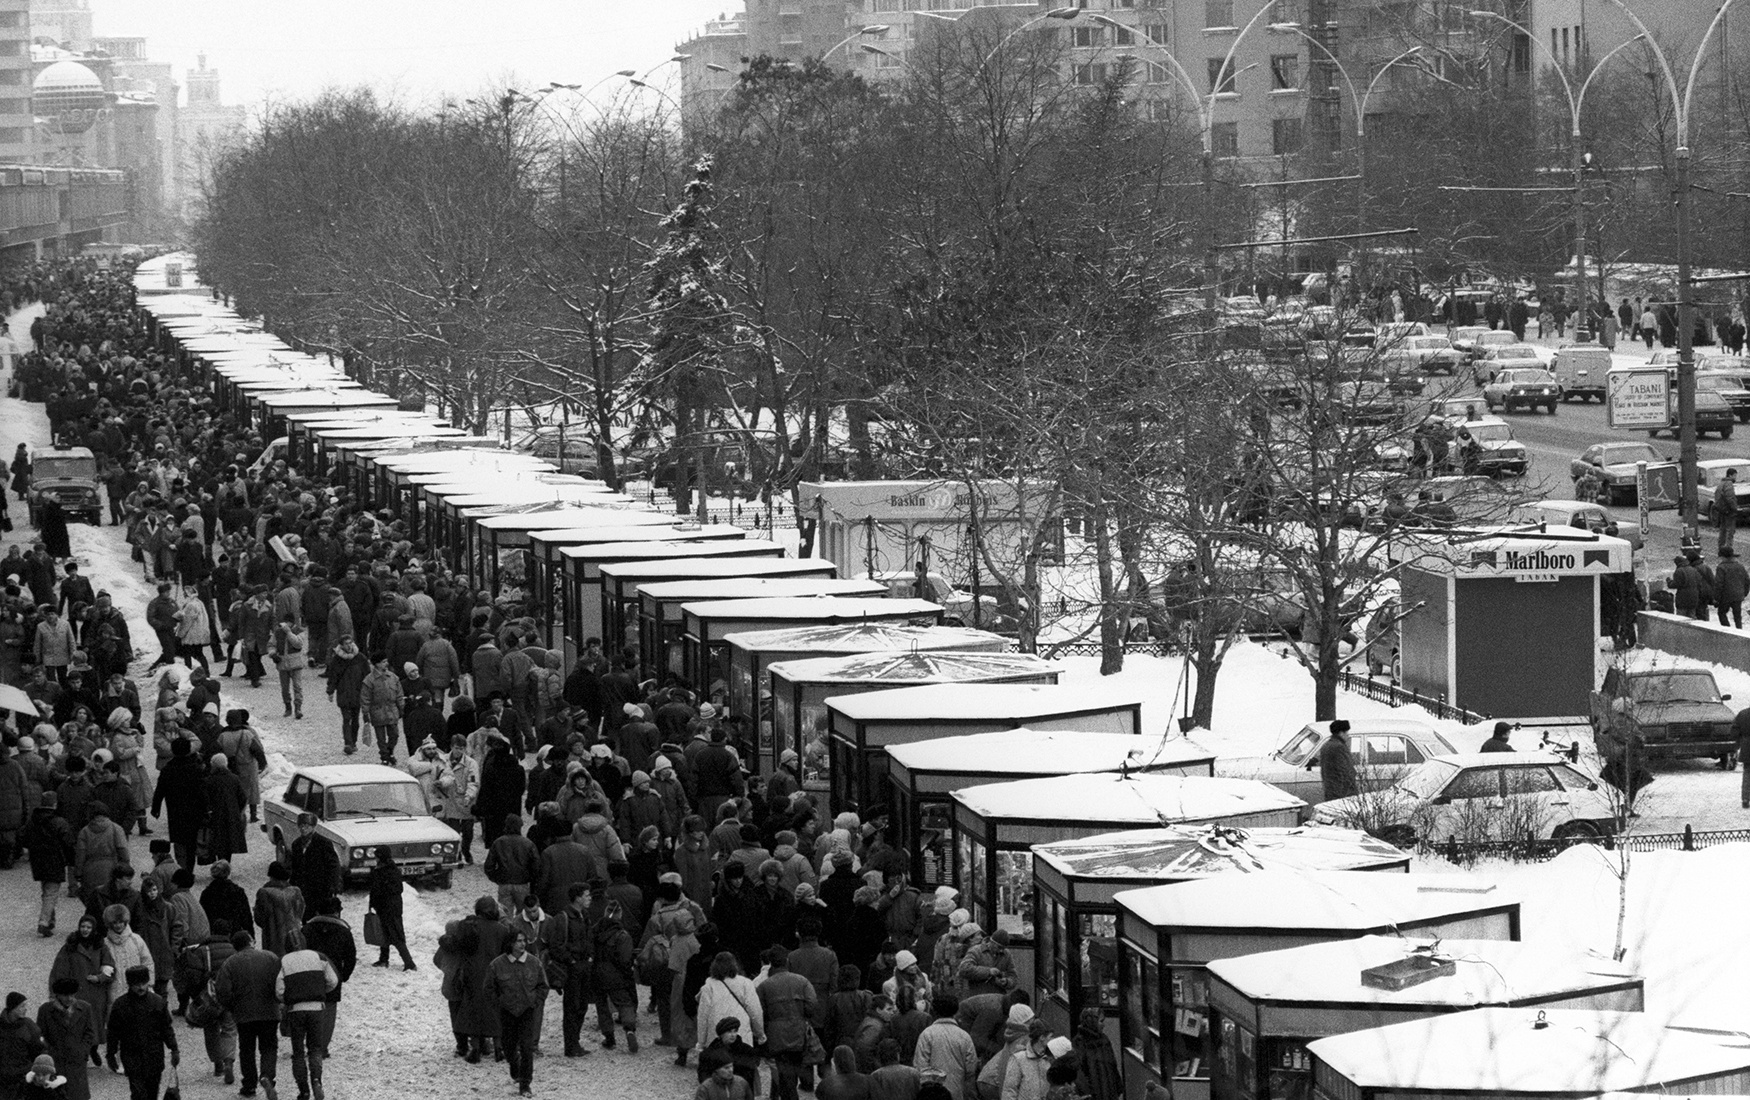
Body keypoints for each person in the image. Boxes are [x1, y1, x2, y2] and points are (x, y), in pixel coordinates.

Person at [214, 929, 281, 1100]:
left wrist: (232, 1006)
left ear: (234, 946)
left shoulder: (230, 963)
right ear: (251, 941)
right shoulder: (271, 957)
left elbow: (222, 990)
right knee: (269, 1046)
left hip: (244, 1014)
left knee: (247, 1049)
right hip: (269, 1011)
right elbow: (281, 981)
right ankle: (267, 1076)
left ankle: (249, 1085)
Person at [274, 930, 337, 1100]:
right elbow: (333, 981)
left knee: (298, 1051)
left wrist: (286, 1000)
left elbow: (279, 990)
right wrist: (321, 991)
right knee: (315, 1048)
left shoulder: (284, 961)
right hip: (317, 1008)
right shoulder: (319, 957)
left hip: (295, 1010)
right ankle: (317, 1081)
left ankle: (304, 1091)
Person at [484, 929, 548, 1096]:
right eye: (518, 941)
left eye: (524, 940)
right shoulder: (497, 964)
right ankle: (514, 1064)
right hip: (506, 1012)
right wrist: (499, 1004)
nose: (522, 944)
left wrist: (535, 1002)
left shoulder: (534, 963)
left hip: (527, 1011)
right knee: (509, 1046)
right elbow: (489, 989)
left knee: (527, 1047)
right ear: (510, 943)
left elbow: (543, 986)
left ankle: (525, 1084)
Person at [104, 967, 177, 1100]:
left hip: (154, 1055)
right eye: (137, 984)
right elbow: (113, 1032)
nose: (141, 987)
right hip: (132, 1056)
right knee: (138, 1094)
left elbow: (166, 1028)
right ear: (129, 984)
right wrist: (111, 1053)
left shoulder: (158, 1002)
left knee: (152, 1092)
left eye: (144, 983)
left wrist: (174, 1049)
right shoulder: (120, 1005)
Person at [760, 946, 821, 1100]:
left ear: (771, 963)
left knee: (785, 1073)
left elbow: (760, 1012)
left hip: (776, 1036)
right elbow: (812, 1006)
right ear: (787, 961)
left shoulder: (764, 986)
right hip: (799, 1032)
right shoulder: (802, 981)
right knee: (793, 1070)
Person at [36, 982, 95, 1100]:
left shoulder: (85, 1008)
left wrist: (83, 1051)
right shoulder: (45, 1010)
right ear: (57, 995)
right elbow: (40, 1035)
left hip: (76, 1061)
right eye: (65, 995)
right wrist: (49, 1052)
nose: (69, 998)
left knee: (77, 1095)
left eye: (72, 995)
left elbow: (90, 1033)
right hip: (56, 1061)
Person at [912, 994, 977, 1100]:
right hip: (957, 1092)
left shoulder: (927, 1034)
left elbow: (920, 1066)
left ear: (934, 1010)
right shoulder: (964, 1036)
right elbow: (971, 1068)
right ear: (956, 1011)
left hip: (932, 1095)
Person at [366, 847, 416, 970]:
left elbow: (377, 890)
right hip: (393, 907)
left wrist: (374, 903)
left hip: (387, 908)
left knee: (395, 935)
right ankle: (384, 959)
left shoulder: (381, 871)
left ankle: (409, 963)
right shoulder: (393, 869)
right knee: (386, 933)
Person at [287, 815, 341, 918]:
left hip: (320, 888)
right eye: (301, 826)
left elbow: (333, 865)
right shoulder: (296, 844)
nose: (303, 829)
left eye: (306, 826)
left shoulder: (324, 843)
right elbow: (294, 866)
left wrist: (333, 885)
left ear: (313, 827)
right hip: (303, 888)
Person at [269, 616, 307, 720]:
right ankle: (288, 707)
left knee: (297, 686)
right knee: (285, 688)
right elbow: (271, 645)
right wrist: (272, 654)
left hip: (296, 663)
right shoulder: (277, 632)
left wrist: (289, 633)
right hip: (283, 663)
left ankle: (298, 708)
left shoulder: (299, 631)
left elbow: (298, 644)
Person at [1318, 720, 1360, 801]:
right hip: (1342, 792)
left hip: (1330, 790)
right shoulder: (1339, 747)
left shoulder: (1326, 745)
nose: (1348, 736)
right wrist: (1352, 791)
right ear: (1341, 733)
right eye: (1346, 733)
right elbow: (1346, 770)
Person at [1720, 548, 1750, 630]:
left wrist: (1717, 597)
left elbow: (1719, 584)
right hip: (1738, 595)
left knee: (1722, 613)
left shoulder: (1721, 567)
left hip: (1725, 596)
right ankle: (1739, 630)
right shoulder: (1740, 566)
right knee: (1737, 616)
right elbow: (1747, 581)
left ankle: (1727, 630)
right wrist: (1744, 593)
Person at [1718, 469, 1741, 553]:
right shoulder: (1729, 484)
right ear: (1730, 475)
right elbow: (1730, 498)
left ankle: (1721, 549)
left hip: (1722, 510)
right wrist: (1735, 508)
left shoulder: (1721, 483)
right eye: (1735, 475)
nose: (1736, 477)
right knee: (1730, 531)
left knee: (1723, 530)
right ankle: (1728, 550)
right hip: (1729, 511)